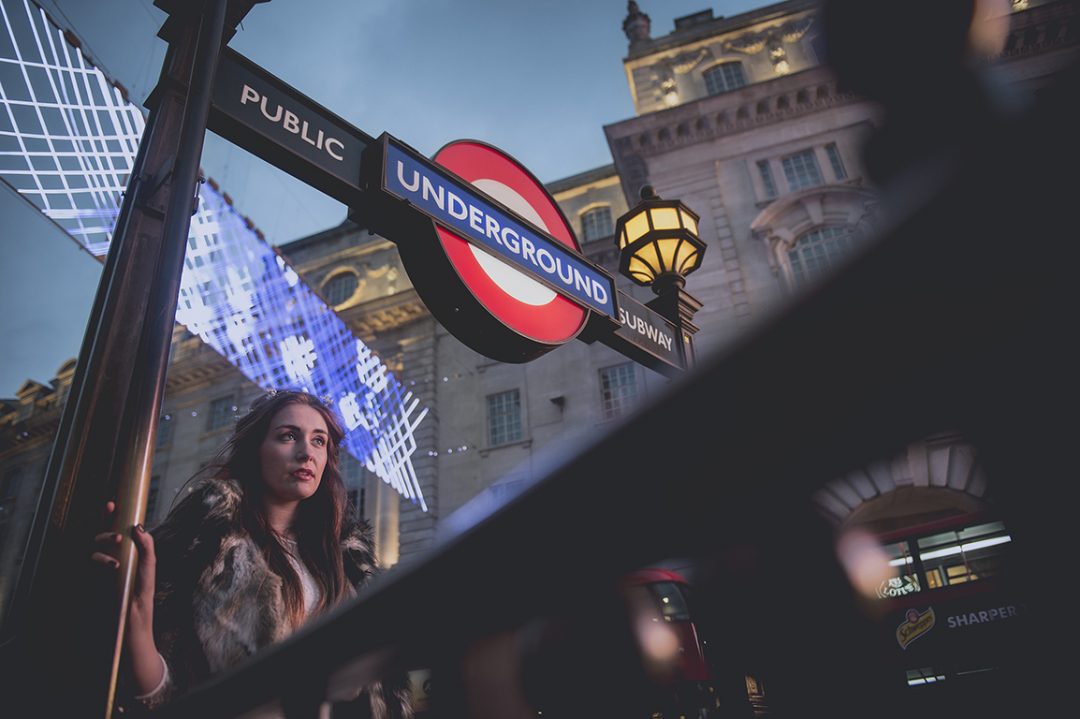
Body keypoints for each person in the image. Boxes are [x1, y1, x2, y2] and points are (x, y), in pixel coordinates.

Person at [92, 389, 411, 717]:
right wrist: (137, 615)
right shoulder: (203, 545)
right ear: (256, 448)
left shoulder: (346, 561)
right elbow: (163, 694)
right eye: (288, 436)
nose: (307, 453)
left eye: (319, 441)